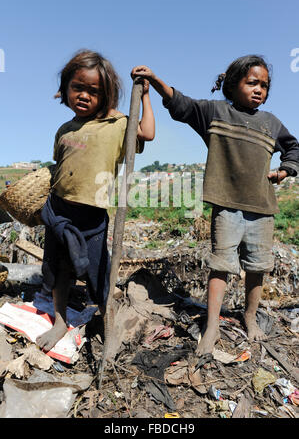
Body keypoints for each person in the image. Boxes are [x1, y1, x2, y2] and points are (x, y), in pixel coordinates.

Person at [131, 55, 299, 356]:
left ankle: (249, 315)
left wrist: (285, 169)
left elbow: (293, 147)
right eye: (252, 83)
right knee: (220, 267)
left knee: (257, 268)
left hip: (262, 208)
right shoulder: (216, 113)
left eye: (264, 85)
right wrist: (155, 81)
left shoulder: (271, 123)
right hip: (227, 206)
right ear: (233, 86)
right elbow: (182, 105)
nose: (259, 90)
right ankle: (211, 325)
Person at [36, 49, 155, 352]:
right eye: (78, 87)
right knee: (58, 269)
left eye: (94, 91)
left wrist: (144, 97)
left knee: (99, 274)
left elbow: (148, 133)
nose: (85, 96)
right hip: (60, 213)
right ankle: (60, 320)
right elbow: (59, 172)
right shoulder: (64, 130)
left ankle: (108, 322)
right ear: (65, 90)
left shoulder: (117, 125)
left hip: (92, 217)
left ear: (107, 96)